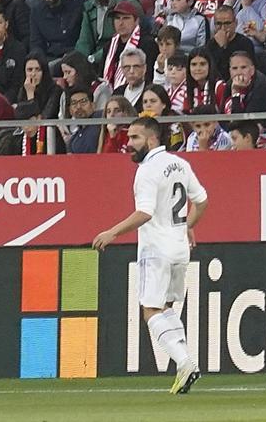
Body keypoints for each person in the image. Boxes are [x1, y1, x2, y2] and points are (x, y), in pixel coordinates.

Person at [93, 117, 207, 395]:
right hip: (180, 248)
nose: (128, 144)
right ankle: (185, 364)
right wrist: (188, 226)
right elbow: (202, 200)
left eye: (134, 138)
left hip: (156, 249)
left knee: (150, 310)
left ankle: (185, 362)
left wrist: (112, 232)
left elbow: (145, 212)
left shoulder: (147, 170)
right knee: (166, 307)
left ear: (152, 139)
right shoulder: (180, 163)